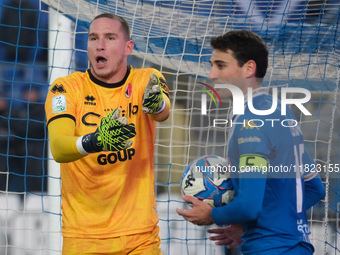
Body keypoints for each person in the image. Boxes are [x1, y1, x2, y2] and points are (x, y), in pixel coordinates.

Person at [177, 30, 325, 255]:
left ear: (248, 68)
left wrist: (211, 215)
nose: (212, 74)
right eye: (212, 65)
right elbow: (314, 188)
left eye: (220, 65)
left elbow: (248, 206)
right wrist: (249, 224)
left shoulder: (250, 122)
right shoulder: (280, 112)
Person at [44, 13, 170, 255]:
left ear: (128, 47)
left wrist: (156, 104)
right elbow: (59, 148)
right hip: (83, 239)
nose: (99, 45)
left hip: (140, 238)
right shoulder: (65, 88)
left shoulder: (146, 80)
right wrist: (96, 141)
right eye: (93, 38)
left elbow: (163, 111)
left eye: (110, 38)